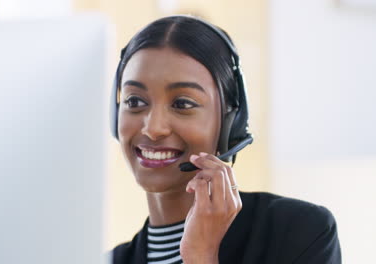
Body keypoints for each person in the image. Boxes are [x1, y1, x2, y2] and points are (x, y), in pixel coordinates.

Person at [108, 15, 341, 264]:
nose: (153, 129)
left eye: (182, 103)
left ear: (231, 121)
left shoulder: (300, 232)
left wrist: (201, 256)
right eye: (135, 101)